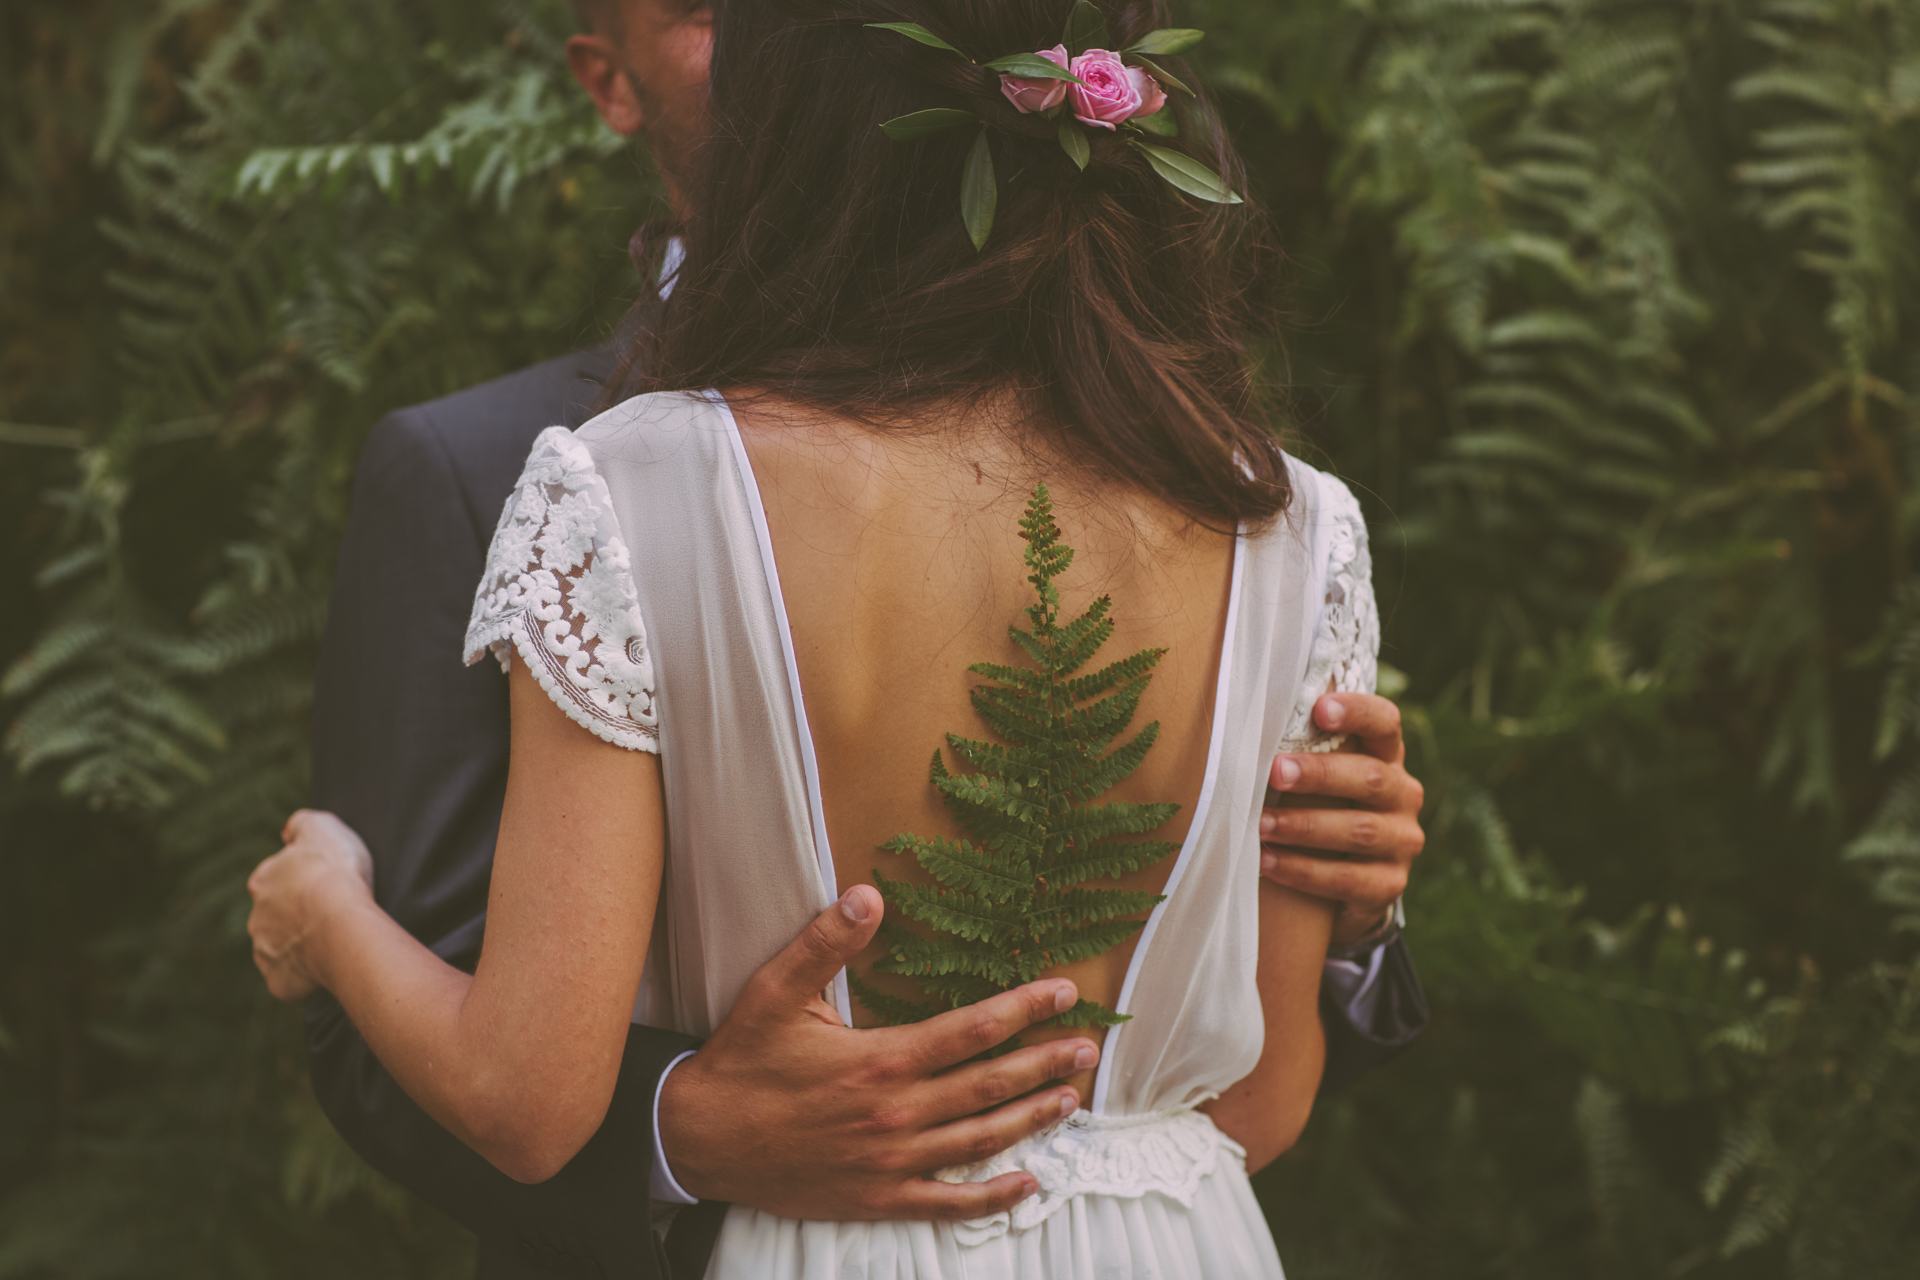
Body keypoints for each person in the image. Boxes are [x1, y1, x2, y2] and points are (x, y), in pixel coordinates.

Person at [257, 2, 1427, 1277]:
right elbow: (1256, 1109)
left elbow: (526, 1101)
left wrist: (326, 912)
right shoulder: (1293, 524)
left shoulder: (632, 487)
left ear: (794, 114)